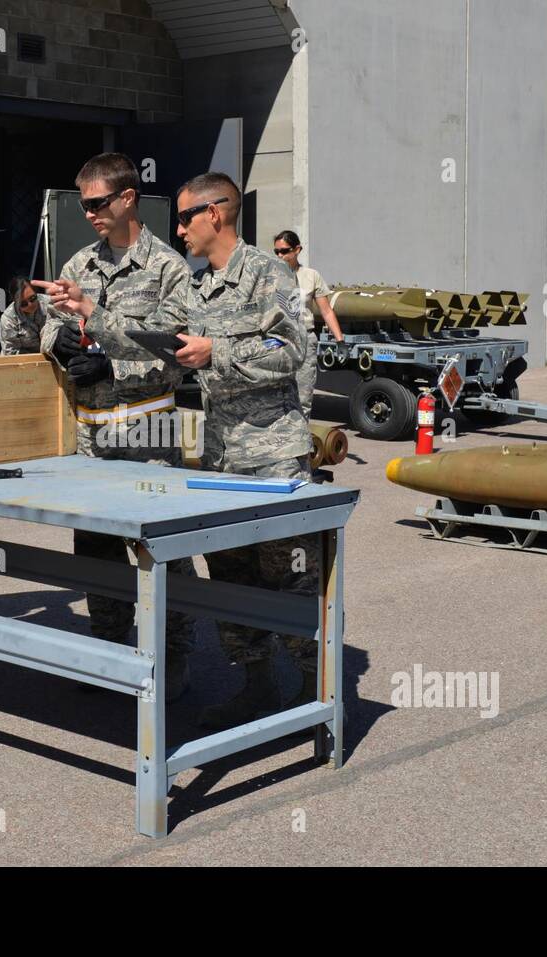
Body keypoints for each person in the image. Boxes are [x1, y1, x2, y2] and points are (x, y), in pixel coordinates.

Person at [31, 152, 197, 702]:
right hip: (93, 439)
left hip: (148, 437)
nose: (90, 214)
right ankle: (108, 652)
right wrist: (64, 347)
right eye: (83, 205)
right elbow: (50, 329)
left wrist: (114, 363)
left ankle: (173, 658)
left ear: (129, 198)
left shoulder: (169, 268)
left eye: (98, 203)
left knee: (160, 551)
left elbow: (177, 354)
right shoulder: (79, 264)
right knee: (96, 552)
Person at [173, 173, 321, 729]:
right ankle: (255, 681)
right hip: (221, 457)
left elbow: (291, 350)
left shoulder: (267, 273)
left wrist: (219, 352)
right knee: (231, 574)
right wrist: (93, 315)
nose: (180, 228)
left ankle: (313, 688)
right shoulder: (195, 285)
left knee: (290, 573)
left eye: (186, 217)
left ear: (216, 214)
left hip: (274, 456)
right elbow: (167, 335)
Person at [273, 230, 344, 419]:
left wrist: (340, 340)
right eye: (276, 252)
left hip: (305, 338)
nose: (280, 256)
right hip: (278, 340)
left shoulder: (311, 276)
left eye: (285, 251)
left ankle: (301, 442)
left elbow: (326, 310)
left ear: (297, 250)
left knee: (303, 396)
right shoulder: (270, 275)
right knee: (275, 396)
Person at [0, 276, 48, 355]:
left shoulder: (49, 304)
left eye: (32, 298)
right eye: (23, 304)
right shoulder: (9, 319)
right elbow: (10, 352)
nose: (30, 305)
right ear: (15, 302)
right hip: (23, 361)